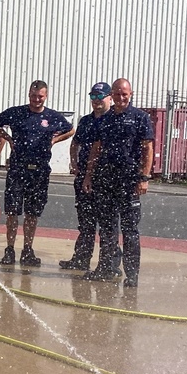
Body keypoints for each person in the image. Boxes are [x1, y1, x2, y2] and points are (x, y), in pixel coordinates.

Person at [0, 80, 74, 267]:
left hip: (39, 171)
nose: (36, 99)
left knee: (32, 213)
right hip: (18, 169)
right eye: (33, 96)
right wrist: (6, 137)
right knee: (12, 212)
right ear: (29, 95)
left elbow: (70, 129)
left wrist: (54, 140)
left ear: (46, 96)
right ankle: (9, 250)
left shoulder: (52, 116)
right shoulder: (17, 112)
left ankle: (28, 250)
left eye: (40, 96)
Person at [81, 78, 154, 287]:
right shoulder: (105, 119)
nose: (121, 98)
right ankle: (105, 267)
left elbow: (147, 148)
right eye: (117, 94)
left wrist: (144, 177)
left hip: (129, 181)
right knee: (106, 228)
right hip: (105, 180)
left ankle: (132, 274)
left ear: (130, 94)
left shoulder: (140, 118)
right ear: (111, 95)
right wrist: (88, 175)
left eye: (125, 94)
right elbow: (96, 148)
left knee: (130, 230)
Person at [60, 82, 114, 271]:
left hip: (106, 177)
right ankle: (81, 258)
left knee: (107, 224)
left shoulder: (113, 119)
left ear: (110, 97)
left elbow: (98, 149)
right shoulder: (86, 121)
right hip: (84, 176)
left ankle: (109, 264)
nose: (96, 101)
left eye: (100, 97)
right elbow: (75, 142)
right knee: (86, 221)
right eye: (93, 97)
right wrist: (74, 163)